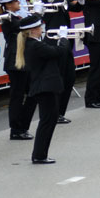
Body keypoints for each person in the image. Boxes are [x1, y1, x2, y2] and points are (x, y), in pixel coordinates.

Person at [16, 14, 70, 164]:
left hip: (44, 86)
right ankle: (40, 155)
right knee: (47, 121)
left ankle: (40, 154)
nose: (42, 29)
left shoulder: (33, 44)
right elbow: (59, 52)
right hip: (45, 87)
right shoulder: (35, 46)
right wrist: (64, 39)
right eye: (39, 27)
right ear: (33, 30)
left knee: (48, 120)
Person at [41, 0, 83, 123]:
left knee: (69, 77)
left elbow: (76, 8)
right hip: (54, 42)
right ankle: (55, 112)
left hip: (65, 42)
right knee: (58, 78)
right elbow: (59, 6)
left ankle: (60, 112)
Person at [0, 0, 37, 140]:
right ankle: (16, 128)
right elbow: (24, 27)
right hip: (15, 60)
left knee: (32, 92)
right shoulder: (9, 19)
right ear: (8, 5)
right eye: (16, 1)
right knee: (17, 95)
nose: (18, 3)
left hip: (23, 59)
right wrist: (37, 14)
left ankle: (22, 124)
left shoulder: (16, 17)